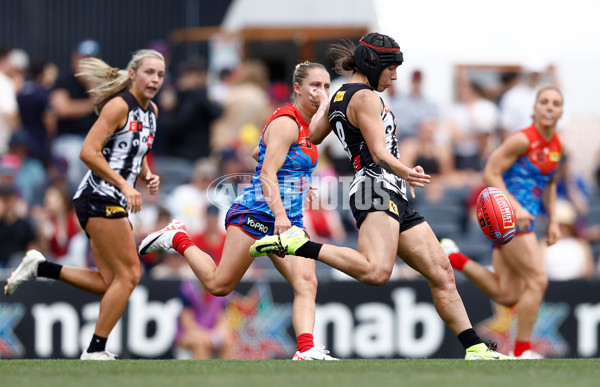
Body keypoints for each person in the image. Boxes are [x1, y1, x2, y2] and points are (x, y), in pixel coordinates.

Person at [249, 33, 510, 360]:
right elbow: (378, 153)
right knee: (376, 272)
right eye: (391, 68)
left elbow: (314, 135)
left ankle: (475, 348)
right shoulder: (366, 98)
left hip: (388, 189)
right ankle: (298, 245)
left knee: (441, 271)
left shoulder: (342, 94)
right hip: (376, 186)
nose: (395, 76)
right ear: (372, 64)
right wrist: (406, 171)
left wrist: (329, 102)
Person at [137, 61, 337, 361]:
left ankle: (306, 350)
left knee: (307, 281)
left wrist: (296, 184)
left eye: (325, 86)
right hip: (258, 214)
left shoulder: (304, 127)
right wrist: (281, 214)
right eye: (315, 86)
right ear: (297, 88)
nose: (321, 92)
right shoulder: (287, 122)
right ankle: (178, 238)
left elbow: (260, 152)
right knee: (220, 284)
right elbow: (268, 173)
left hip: (289, 219)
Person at [4, 49, 166, 361]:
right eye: (149, 72)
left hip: (113, 197)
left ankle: (41, 267)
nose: (155, 79)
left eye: (159, 74)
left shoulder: (152, 112)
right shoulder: (119, 106)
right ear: (133, 74)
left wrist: (146, 175)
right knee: (131, 275)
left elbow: (135, 150)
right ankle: (94, 350)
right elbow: (88, 152)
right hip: (99, 195)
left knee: (111, 282)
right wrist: (123, 183)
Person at [440, 86, 565, 359]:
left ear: (561, 111)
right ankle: (523, 351)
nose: (549, 107)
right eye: (544, 101)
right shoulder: (522, 140)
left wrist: (554, 219)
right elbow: (490, 173)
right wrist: (514, 206)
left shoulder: (556, 144)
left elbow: (551, 182)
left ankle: (454, 257)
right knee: (537, 280)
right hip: (509, 220)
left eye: (555, 103)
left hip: (525, 221)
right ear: (533, 109)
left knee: (506, 294)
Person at [49, 39, 102, 191]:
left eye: (91, 59)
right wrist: (92, 103)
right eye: (83, 58)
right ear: (75, 58)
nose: (87, 63)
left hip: (95, 139)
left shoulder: (102, 81)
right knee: (73, 158)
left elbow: (107, 109)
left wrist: (91, 84)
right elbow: (62, 109)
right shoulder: (64, 80)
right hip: (68, 138)